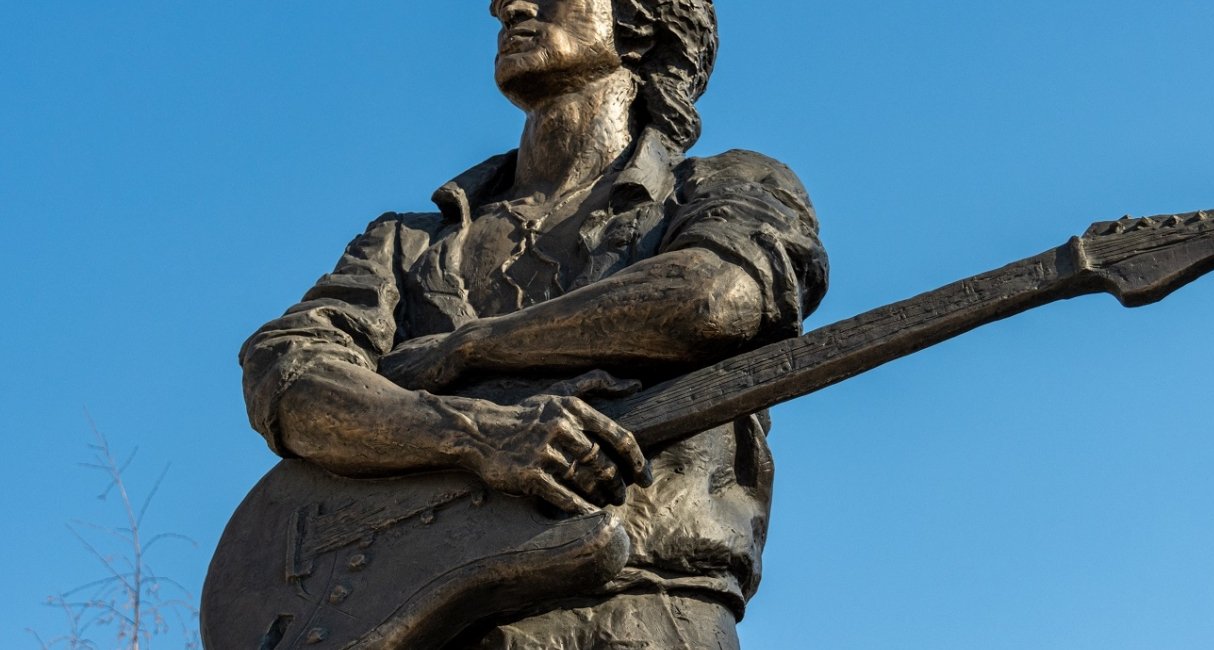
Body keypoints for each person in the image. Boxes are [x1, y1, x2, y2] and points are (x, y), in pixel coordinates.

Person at [239, 0, 827, 647]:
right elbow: (290, 375)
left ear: (643, 20)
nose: (509, 4)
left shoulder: (726, 186)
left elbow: (715, 298)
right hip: (422, 619)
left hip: (639, 610)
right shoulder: (405, 243)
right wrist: (478, 436)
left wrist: (467, 348)